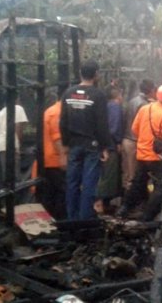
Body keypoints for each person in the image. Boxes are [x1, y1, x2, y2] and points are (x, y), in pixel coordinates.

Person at [60, 60, 112, 220]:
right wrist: (105, 147)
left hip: (74, 144)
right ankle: (85, 220)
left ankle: (72, 219)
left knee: (72, 183)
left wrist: (65, 143)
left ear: (80, 74)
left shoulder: (68, 93)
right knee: (89, 183)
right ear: (96, 74)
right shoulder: (98, 95)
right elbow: (101, 124)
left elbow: (63, 121)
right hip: (92, 146)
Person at [119, 85, 162, 221]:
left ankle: (124, 209)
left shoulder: (145, 108)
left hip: (142, 154)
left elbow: (135, 129)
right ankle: (147, 217)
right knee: (160, 187)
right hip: (159, 157)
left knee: (137, 183)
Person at [36, 92, 67, 220]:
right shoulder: (57, 113)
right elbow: (57, 137)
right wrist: (63, 156)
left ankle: (51, 223)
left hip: (50, 159)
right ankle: (60, 223)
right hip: (54, 160)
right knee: (61, 192)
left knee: (51, 193)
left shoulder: (52, 111)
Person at [121, 80, 156, 194]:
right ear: (151, 91)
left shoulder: (132, 101)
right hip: (135, 141)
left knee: (127, 173)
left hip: (126, 140)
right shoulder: (145, 105)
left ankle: (125, 201)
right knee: (135, 175)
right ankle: (131, 204)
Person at [96, 86, 124, 214]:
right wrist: (118, 142)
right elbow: (114, 127)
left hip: (101, 144)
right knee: (109, 175)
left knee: (104, 173)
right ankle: (100, 204)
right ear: (118, 96)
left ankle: (104, 204)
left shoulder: (105, 106)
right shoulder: (115, 106)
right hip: (110, 145)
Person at [0, 99, 28, 191]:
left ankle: (2, 204)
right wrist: (17, 145)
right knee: (13, 180)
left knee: (1, 184)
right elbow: (18, 127)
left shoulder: (0, 113)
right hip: (8, 145)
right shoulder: (17, 108)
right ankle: (14, 204)